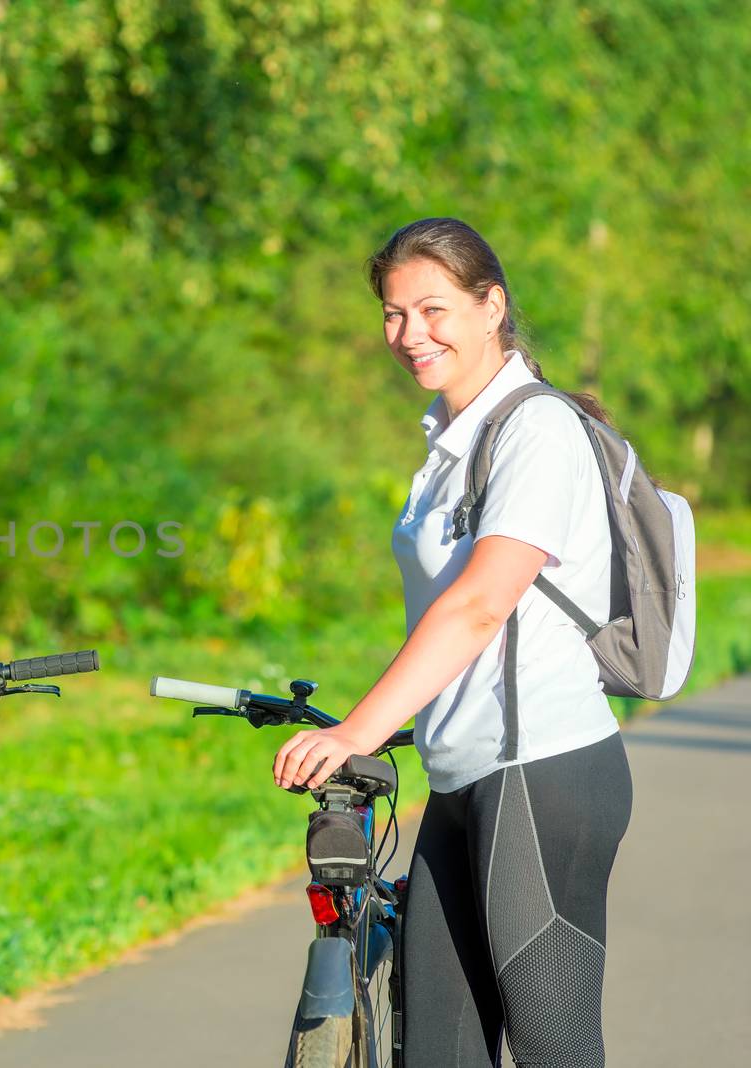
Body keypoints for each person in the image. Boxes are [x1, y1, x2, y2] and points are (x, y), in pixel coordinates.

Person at [273, 217, 632, 1066]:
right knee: (436, 1049)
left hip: (543, 774)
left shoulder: (536, 430)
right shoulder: (446, 439)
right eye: (394, 314)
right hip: (462, 777)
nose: (410, 335)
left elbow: (479, 605)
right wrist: (405, 721)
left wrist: (356, 730)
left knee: (557, 1051)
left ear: (490, 305)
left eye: (432, 309)